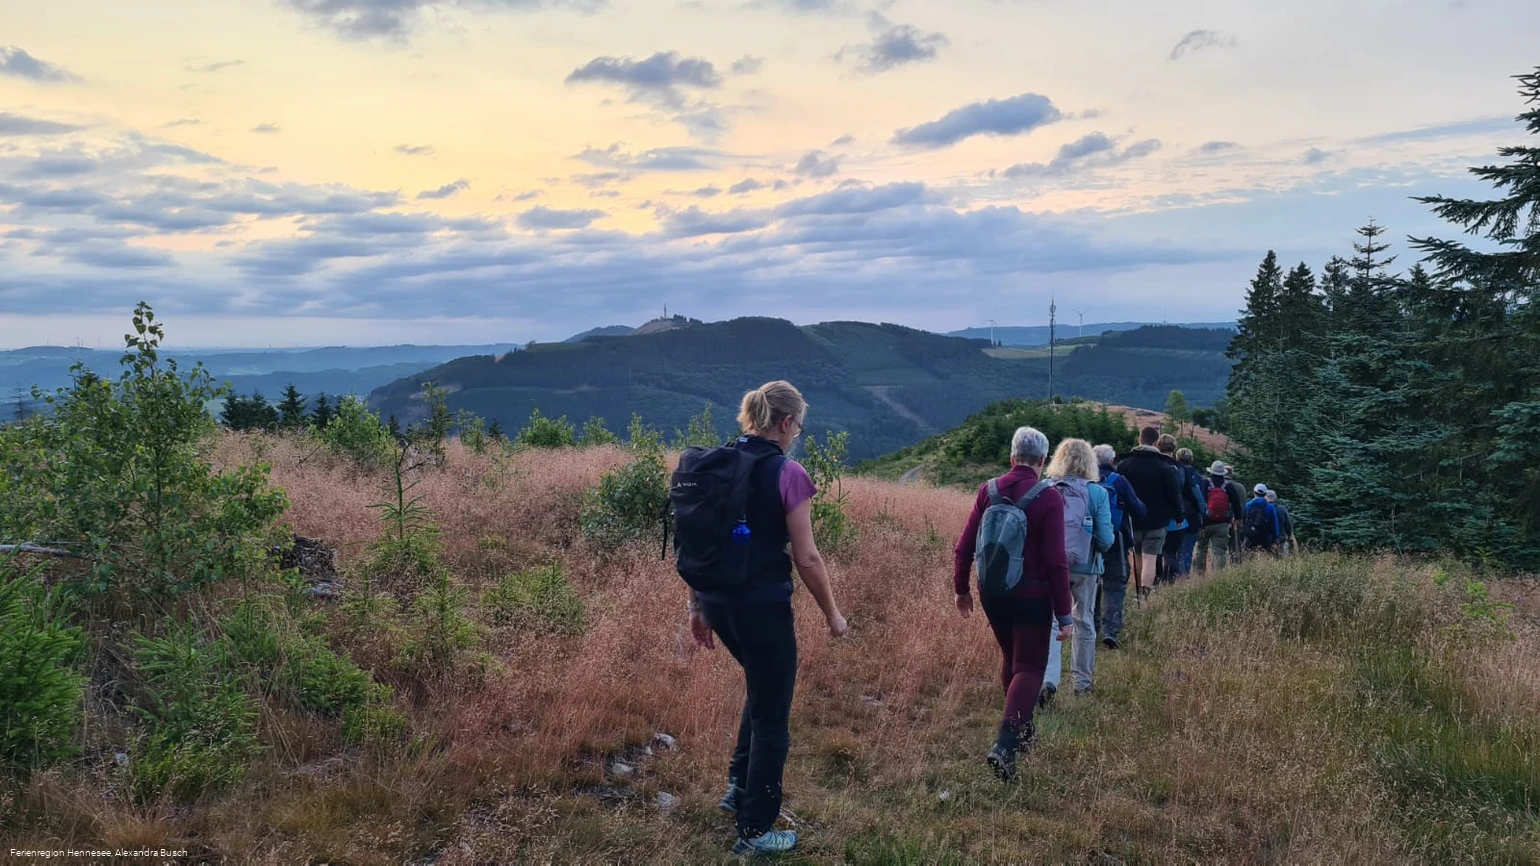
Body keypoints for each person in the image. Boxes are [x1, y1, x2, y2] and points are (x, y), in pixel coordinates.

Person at [686, 381, 848, 857]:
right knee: (774, 715)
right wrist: (834, 616)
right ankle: (756, 829)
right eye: (799, 424)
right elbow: (809, 558)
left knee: (762, 687)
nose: (798, 432)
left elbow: (699, 542)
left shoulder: (716, 463)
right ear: (785, 423)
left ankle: (738, 788)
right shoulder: (788, 472)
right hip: (761, 607)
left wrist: (697, 606)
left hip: (716, 600)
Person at [953, 426, 1073, 783]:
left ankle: (1024, 729)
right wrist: (1065, 614)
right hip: (1033, 596)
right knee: (1030, 668)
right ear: (1041, 461)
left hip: (993, 593)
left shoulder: (987, 490)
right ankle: (1005, 746)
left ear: (1011, 457)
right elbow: (1056, 562)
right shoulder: (1048, 498)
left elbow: (964, 546)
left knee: (1012, 659)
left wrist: (962, 589)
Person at [1041, 439, 1114, 702]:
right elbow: (1106, 539)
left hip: (1050, 566)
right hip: (1086, 567)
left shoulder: (1045, 488)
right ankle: (1082, 685)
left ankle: (1048, 680)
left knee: (1050, 623)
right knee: (1084, 621)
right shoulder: (1097, 493)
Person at [1116, 426, 1184, 600]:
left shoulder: (1125, 465)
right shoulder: (1164, 467)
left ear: (1139, 440)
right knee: (1150, 557)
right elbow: (1174, 495)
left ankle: (1137, 591)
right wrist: (1178, 516)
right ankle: (1146, 592)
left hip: (1132, 519)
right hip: (1158, 520)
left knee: (1137, 554)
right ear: (1156, 442)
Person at [1093, 444, 1144, 650]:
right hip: (1117, 540)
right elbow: (1139, 510)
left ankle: (1091, 627)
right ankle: (1111, 630)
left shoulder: (1086, 480)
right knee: (1114, 585)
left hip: (1089, 542)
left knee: (1092, 585)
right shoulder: (1119, 481)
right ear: (1112, 461)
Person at [1196, 460, 1243, 573]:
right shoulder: (1228, 486)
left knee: (1201, 549)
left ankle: (1199, 575)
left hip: (1205, 523)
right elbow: (1236, 504)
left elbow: (1199, 501)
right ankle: (1218, 576)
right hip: (1222, 524)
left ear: (1211, 471)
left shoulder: (1205, 483)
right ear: (1223, 473)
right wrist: (1237, 517)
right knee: (1220, 552)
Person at [1173, 448, 1208, 578]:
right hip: (1193, 518)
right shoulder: (1198, 477)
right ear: (1191, 459)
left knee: (1172, 550)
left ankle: (1171, 577)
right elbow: (1201, 500)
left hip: (1175, 517)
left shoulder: (1174, 473)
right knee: (1187, 550)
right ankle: (1184, 577)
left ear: (1177, 458)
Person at [1240, 483, 1282, 555]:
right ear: (1265, 494)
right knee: (1266, 558)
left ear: (1254, 492)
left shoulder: (1248, 505)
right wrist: (1275, 538)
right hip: (1266, 538)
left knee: (1250, 558)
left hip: (1251, 537)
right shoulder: (1270, 507)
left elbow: (1243, 521)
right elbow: (1274, 524)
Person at [1222, 465, 1248, 563]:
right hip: (1236, 522)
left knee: (1219, 548)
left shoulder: (1218, 485)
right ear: (1232, 474)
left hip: (1220, 521)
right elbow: (1242, 507)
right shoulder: (1240, 487)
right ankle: (1235, 567)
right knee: (1235, 548)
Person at [1267, 490, 1297, 556]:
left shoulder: (1263, 509)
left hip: (1266, 542)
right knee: (1282, 561)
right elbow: (1288, 526)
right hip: (1280, 540)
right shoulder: (1281, 509)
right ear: (1275, 498)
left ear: (1265, 498)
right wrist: (1289, 536)